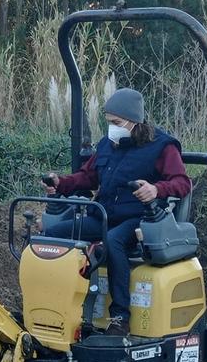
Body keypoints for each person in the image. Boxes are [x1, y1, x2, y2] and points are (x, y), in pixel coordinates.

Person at [40, 87, 192, 334]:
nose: (111, 127)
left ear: (134, 120)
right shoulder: (107, 144)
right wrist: (61, 183)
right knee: (52, 234)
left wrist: (156, 189)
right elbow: (88, 177)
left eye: (116, 122)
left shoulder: (163, 146)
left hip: (139, 220)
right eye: (109, 122)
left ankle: (120, 316)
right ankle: (53, 305)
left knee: (113, 241)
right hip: (103, 215)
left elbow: (182, 183)